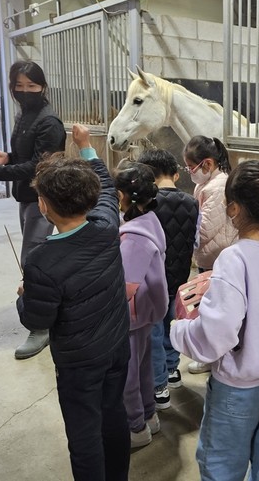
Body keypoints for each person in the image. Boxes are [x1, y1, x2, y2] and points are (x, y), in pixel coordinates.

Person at [170, 160, 259, 481]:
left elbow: (215, 336)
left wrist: (180, 330)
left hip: (239, 387)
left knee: (221, 463)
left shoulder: (234, 259)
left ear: (233, 208)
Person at [16, 124, 131, 481]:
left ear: (43, 205)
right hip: (117, 346)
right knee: (114, 415)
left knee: (84, 435)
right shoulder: (107, 223)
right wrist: (86, 146)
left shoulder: (41, 261)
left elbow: (37, 320)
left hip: (79, 364)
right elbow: (107, 184)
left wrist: (24, 296)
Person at [0, 61, 66, 360]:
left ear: (43, 87)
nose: (25, 91)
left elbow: (38, 166)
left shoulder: (49, 122)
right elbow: (25, 156)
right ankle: (49, 314)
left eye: (32, 86)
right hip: (26, 196)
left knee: (34, 261)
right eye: (19, 86)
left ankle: (40, 327)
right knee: (35, 257)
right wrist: (7, 158)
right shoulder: (24, 115)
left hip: (43, 198)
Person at [135, 149, 199, 408]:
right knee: (172, 325)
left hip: (153, 280)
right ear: (175, 174)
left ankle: (159, 385)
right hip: (180, 276)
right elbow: (195, 239)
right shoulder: (192, 202)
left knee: (153, 332)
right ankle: (172, 371)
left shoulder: (146, 204)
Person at [114, 162, 169, 449]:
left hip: (133, 316)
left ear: (121, 196)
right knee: (144, 367)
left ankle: (136, 427)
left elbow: (126, 286)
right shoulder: (149, 220)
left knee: (129, 375)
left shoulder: (134, 237)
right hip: (147, 310)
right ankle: (149, 415)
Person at [182, 135, 238, 375]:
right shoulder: (206, 184)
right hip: (209, 257)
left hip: (217, 257)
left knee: (213, 311)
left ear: (207, 164)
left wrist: (183, 234)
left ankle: (213, 357)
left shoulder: (217, 187)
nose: (189, 172)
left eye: (190, 167)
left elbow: (204, 230)